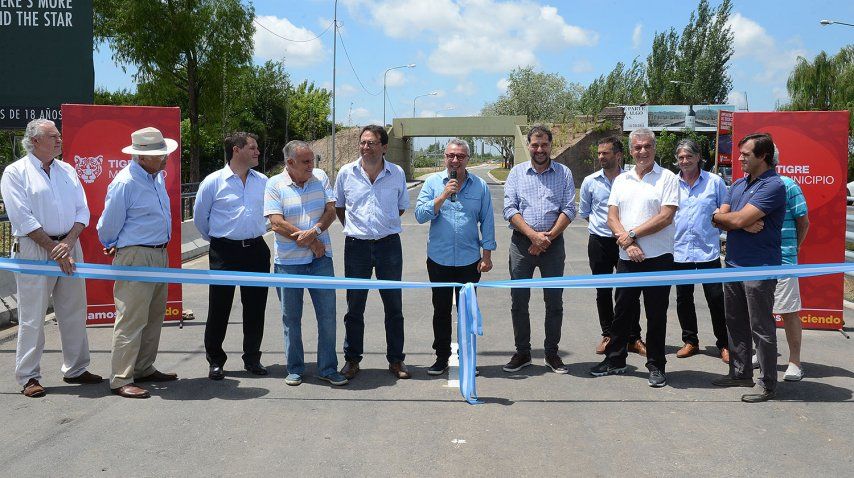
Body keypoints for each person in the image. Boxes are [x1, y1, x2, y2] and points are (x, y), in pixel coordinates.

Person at [1, 119, 102, 398]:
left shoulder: (67, 170)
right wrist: (51, 247)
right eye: (53, 136)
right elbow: (22, 217)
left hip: (69, 247)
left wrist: (67, 243)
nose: (59, 140)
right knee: (33, 315)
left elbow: (83, 210)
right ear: (34, 140)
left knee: (74, 310)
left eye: (59, 135)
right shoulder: (15, 172)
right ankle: (29, 376)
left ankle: (76, 368)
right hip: (35, 250)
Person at [589, 127, 679, 388]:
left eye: (647, 146)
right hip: (627, 257)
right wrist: (627, 244)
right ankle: (615, 359)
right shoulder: (622, 180)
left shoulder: (668, 178)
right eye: (637, 147)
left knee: (656, 314)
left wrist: (630, 235)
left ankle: (656, 365)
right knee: (623, 312)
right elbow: (611, 217)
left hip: (659, 257)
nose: (642, 151)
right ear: (630, 151)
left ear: (654, 148)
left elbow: (666, 217)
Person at [97, 127, 179, 399]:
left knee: (154, 315)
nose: (165, 156)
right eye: (159, 154)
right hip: (137, 254)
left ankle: (143, 367)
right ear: (141, 157)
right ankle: (121, 378)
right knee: (131, 318)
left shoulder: (154, 177)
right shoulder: (126, 182)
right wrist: (115, 243)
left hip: (157, 253)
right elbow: (108, 224)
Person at [711, 132, 786, 403]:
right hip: (733, 264)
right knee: (735, 323)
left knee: (761, 328)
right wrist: (730, 220)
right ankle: (740, 373)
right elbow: (719, 217)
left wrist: (734, 220)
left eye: (746, 154)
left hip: (759, 267)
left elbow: (736, 217)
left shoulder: (774, 186)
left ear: (763, 156)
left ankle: (767, 383)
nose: (740, 158)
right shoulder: (739, 184)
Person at [265, 141, 347, 387]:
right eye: (306, 162)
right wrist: (312, 241)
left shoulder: (319, 177)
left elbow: (331, 211)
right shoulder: (274, 184)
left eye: (313, 160)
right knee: (291, 319)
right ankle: (295, 368)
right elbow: (276, 223)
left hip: (321, 261)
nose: (312, 166)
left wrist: (316, 231)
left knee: (327, 317)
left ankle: (328, 368)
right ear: (289, 163)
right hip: (288, 263)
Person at [335, 125, 411, 380]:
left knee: (394, 306)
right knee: (354, 307)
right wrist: (358, 228)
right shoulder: (346, 173)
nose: (366, 147)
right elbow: (340, 208)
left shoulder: (396, 173)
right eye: (363, 142)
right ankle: (352, 360)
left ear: (384, 147)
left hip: (388, 245)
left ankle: (396, 360)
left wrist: (382, 226)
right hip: (356, 246)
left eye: (372, 143)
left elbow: (400, 208)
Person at [415, 138, 496, 375]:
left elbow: (487, 221)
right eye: (451, 155)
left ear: (467, 159)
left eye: (460, 156)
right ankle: (441, 357)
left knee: (467, 312)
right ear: (445, 157)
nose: (455, 160)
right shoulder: (432, 183)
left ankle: (467, 356)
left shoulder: (479, 186)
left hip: (469, 260)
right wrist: (441, 196)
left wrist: (487, 255)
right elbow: (420, 215)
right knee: (440, 311)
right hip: (438, 259)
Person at [193, 132, 270, 380]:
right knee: (219, 308)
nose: (257, 152)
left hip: (256, 250)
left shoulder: (263, 181)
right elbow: (200, 219)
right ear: (236, 150)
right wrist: (218, 241)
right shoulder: (214, 182)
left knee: (256, 308)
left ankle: (252, 358)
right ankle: (215, 360)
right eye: (253, 147)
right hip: (224, 251)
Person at [502, 125, 576, 374]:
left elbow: (569, 208)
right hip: (522, 244)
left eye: (544, 144)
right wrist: (533, 236)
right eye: (535, 144)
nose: (540, 149)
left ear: (550, 145)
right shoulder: (516, 173)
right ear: (529, 145)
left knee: (554, 301)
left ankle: (552, 354)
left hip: (553, 245)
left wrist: (548, 238)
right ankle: (522, 352)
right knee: (519, 301)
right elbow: (510, 209)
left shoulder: (563, 173)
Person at [578, 136, 645, 357]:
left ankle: (633, 337)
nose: (600, 157)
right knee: (603, 291)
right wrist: (605, 231)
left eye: (605, 153)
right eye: (599, 153)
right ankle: (608, 334)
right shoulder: (590, 181)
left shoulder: (631, 179)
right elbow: (586, 212)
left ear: (618, 155)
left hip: (627, 242)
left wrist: (624, 236)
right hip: (600, 241)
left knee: (629, 291)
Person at [671, 139, 729, 362]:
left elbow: (725, 207)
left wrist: (720, 217)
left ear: (698, 157)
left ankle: (724, 343)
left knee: (715, 298)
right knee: (683, 299)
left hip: (708, 251)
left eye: (689, 156)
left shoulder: (714, 182)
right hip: (680, 250)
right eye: (681, 157)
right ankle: (690, 341)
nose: (684, 161)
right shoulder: (672, 183)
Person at [761, 148, 808, 381]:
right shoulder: (751, 185)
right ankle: (761, 354)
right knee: (759, 312)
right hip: (757, 261)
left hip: (784, 261)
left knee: (788, 312)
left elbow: (803, 221)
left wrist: (794, 249)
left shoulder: (788, 185)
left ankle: (795, 362)